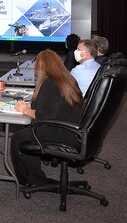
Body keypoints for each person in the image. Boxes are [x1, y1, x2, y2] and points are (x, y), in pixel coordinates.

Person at [11, 49, 83, 187]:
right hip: (73, 130)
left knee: (18, 138)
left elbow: (44, 116)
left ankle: (30, 181)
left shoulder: (50, 84)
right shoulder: (66, 79)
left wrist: (25, 110)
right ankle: (35, 176)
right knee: (28, 133)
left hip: (61, 131)